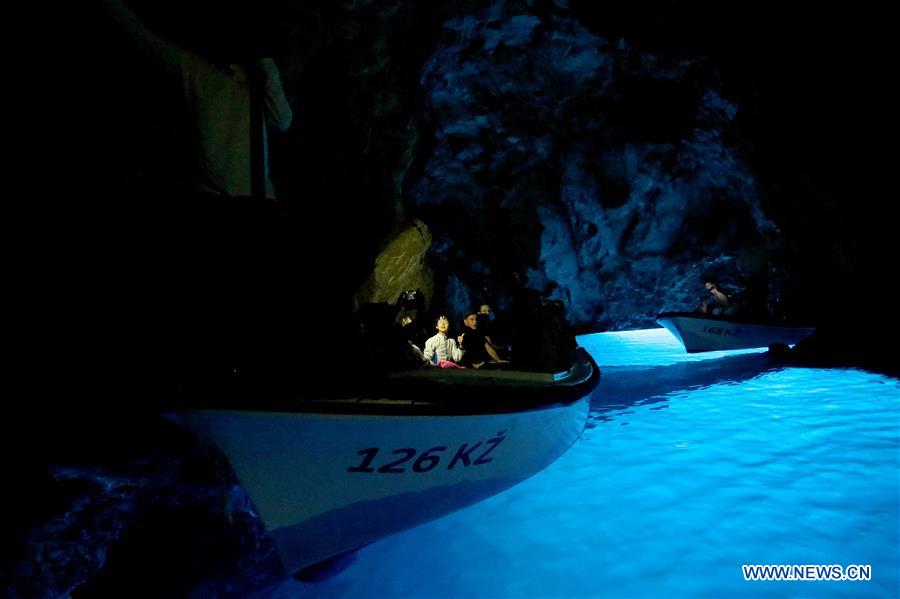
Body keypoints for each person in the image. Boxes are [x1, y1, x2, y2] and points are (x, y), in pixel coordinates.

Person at [99, 0, 294, 375]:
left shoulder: (232, 80)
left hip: (243, 206)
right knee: (225, 302)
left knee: (234, 302)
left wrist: (265, 68)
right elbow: (145, 41)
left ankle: (238, 371)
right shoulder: (203, 74)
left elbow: (283, 120)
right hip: (229, 206)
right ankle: (229, 373)